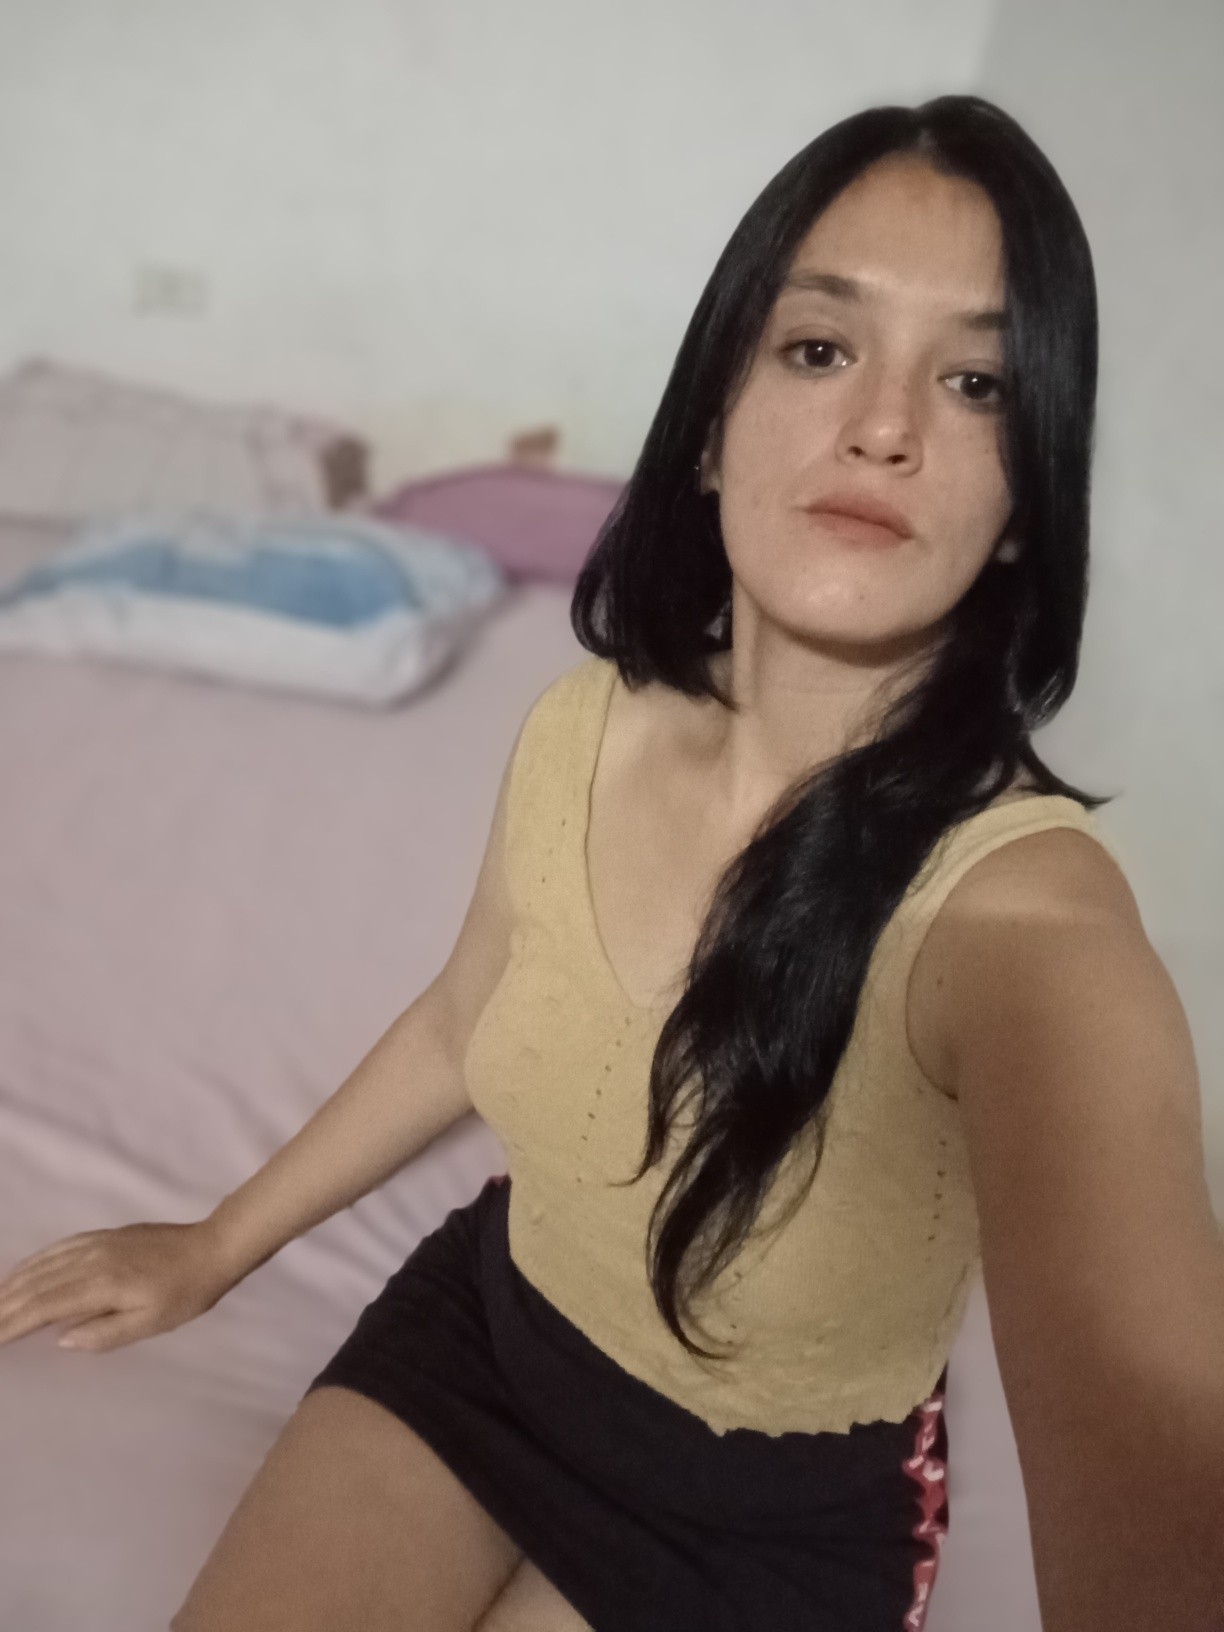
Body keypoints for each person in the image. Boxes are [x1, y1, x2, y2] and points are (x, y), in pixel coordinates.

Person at [2, 93, 1222, 1632]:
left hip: (764, 1524)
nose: (886, 424)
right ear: (710, 426)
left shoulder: (1024, 922)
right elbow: (469, 1012)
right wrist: (214, 1248)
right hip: (489, 1342)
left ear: (1026, 502)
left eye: (976, 381)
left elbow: (1158, 1441)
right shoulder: (583, 723)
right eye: (820, 348)